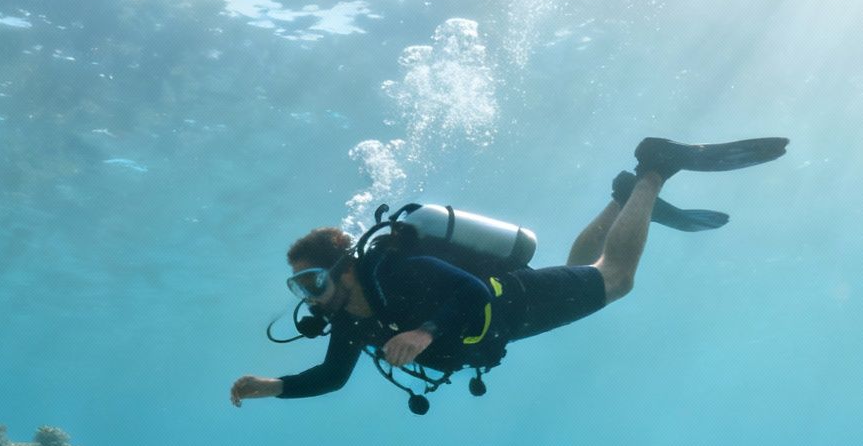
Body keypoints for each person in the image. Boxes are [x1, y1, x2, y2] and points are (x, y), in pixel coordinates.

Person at [229, 135, 787, 407]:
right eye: (299, 288)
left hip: (509, 304)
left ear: (343, 268)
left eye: (313, 281)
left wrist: (425, 332)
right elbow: (332, 377)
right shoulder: (351, 320)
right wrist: (270, 386)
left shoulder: (395, 273)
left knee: (615, 278)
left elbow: (470, 291)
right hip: (505, 325)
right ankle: (621, 197)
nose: (310, 297)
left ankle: (655, 170)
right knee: (581, 269)